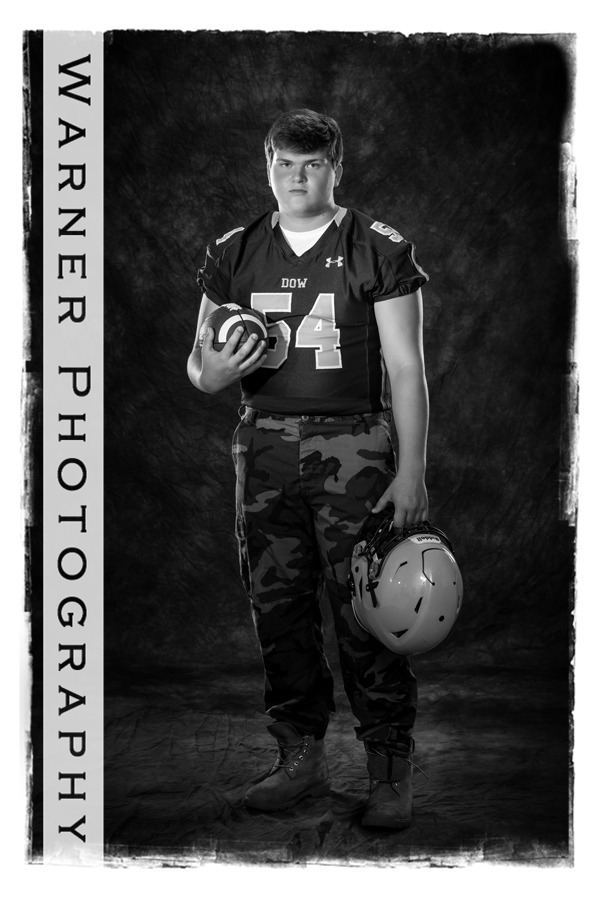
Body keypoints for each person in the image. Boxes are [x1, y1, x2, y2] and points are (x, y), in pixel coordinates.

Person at [187, 109, 430, 829]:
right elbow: (198, 365)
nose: (297, 178)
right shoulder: (235, 250)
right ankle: (299, 754)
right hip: (261, 445)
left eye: (313, 164)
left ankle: (389, 765)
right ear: (267, 163)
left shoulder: (376, 245)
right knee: (278, 609)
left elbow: (407, 370)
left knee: (366, 609)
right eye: (285, 163)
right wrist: (214, 372)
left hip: (354, 443)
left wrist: (411, 471)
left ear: (337, 167)